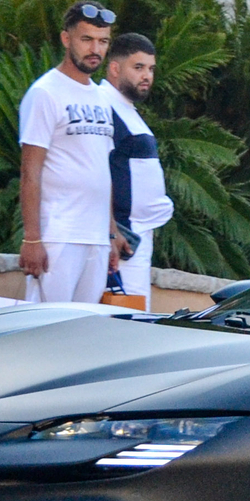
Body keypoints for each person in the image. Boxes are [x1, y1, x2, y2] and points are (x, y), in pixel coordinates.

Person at [18, 1, 117, 303]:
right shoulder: (45, 93)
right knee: (46, 333)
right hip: (58, 235)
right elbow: (30, 171)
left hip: (96, 238)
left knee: (81, 333)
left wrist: (110, 235)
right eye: (86, 39)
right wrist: (32, 238)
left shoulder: (102, 97)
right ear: (66, 39)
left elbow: (103, 168)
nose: (95, 50)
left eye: (103, 42)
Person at [103, 33, 172, 307]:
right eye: (139, 67)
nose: (147, 76)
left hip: (138, 238)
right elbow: (98, 169)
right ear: (115, 68)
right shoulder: (104, 104)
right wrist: (111, 232)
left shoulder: (127, 108)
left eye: (151, 69)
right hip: (123, 239)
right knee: (124, 320)